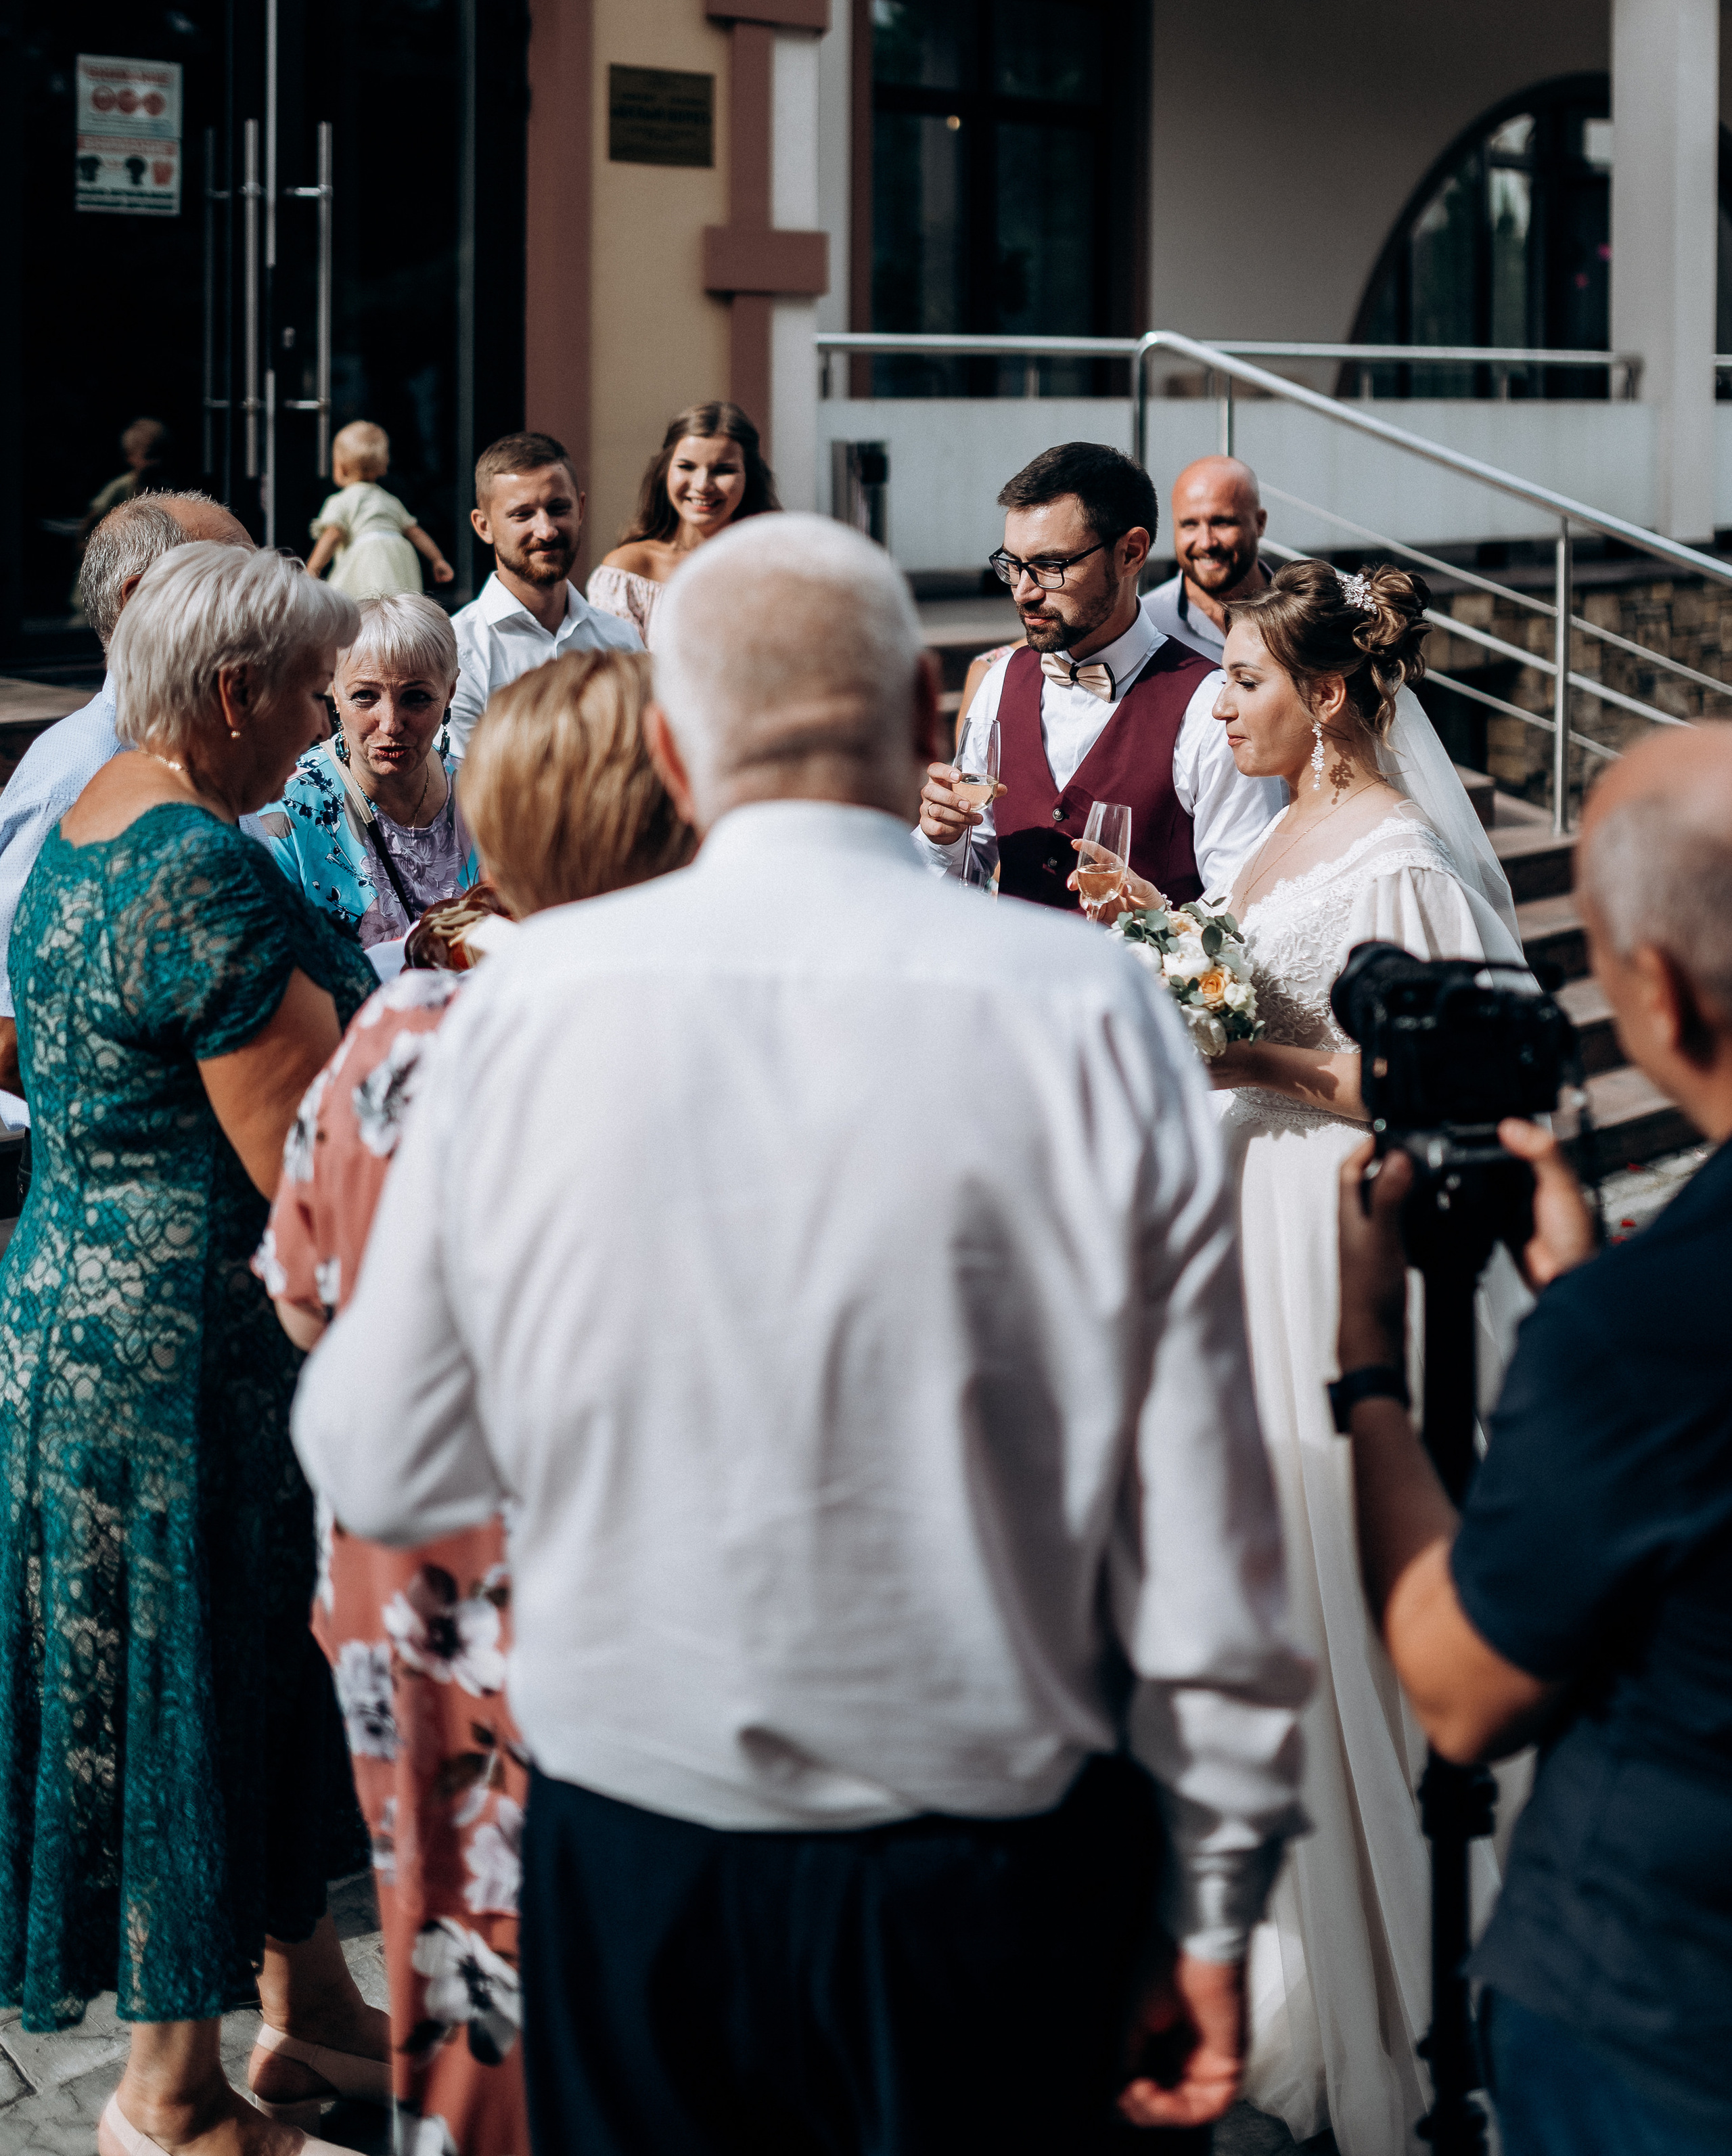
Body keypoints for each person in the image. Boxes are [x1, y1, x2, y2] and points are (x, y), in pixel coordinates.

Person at [293, 513, 1311, 2156]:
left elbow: (381, 1446)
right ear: (923, 706)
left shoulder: (526, 1008)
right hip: (990, 1839)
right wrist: (1216, 1888)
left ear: (676, 746)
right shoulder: (1087, 1009)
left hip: (636, 1830)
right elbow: (1200, 1509)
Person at [255, 652, 692, 2156]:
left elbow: (299, 1290)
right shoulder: (707, 1038)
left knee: (453, 1919)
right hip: (627, 1541)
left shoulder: (402, 1034)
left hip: (417, 1557)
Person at [0, 542, 386, 2156]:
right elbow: (310, 1161)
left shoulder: (85, 827)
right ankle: (169, 2096)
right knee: (197, 1682)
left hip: (67, 1307)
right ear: (234, 692)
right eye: (308, 693)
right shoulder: (197, 866)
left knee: (246, 1668)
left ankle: (309, 2009)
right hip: (191, 1354)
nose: (318, 728)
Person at [1160, 558, 1521, 2156]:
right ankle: (1307, 1954)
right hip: (1248, 1237)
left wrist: (1258, 1054)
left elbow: (1464, 1091)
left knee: (1349, 1598)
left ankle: (1417, 1980)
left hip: (1341, 1251)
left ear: (1320, 697)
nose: (1213, 701)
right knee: (1274, 1613)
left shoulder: (1404, 853)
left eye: (1237, 678)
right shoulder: (1277, 832)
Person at [1336, 720, 1732, 2156]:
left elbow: (1457, 1690)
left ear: (1659, 998)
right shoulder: (1629, 1317)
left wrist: (1365, 1357)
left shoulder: (1641, 1330)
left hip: (1660, 2007)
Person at [917, 442, 1281, 906]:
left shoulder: (1213, 709)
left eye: (1050, 566)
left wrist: (1160, 922)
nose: (1024, 592)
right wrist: (942, 836)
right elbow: (966, 875)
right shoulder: (1000, 680)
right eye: (1013, 566)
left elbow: (1243, 913)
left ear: (1131, 553)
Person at [0, 491, 253, 1109]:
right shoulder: (80, 771)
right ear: (142, 599)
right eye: (237, 581)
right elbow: (11, 1030)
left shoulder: (216, 746)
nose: (267, 607)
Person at [250, 593, 480, 956]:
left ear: (449, 693)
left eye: (416, 697)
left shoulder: (487, 797)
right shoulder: (286, 809)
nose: (391, 724)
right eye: (365, 696)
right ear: (335, 693)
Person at [447, 433, 641, 759]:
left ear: (580, 509)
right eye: (522, 515)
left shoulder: (621, 640)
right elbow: (463, 788)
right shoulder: (458, 650)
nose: (546, 530)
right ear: (484, 526)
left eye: (558, 508)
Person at [587, 400, 780, 647]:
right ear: (665, 471)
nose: (702, 485)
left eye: (723, 470)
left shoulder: (775, 569)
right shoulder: (628, 572)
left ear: (749, 477)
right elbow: (619, 678)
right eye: (687, 467)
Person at [1145, 456, 1272, 664]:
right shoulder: (1145, 627)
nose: (1206, 543)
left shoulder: (1306, 616)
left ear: (1259, 523)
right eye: (1190, 525)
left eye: (1222, 522)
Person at [306, 421, 454, 600]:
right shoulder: (390, 500)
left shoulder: (340, 501)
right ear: (383, 466)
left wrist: (313, 570)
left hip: (366, 559)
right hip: (398, 558)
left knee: (359, 608)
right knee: (399, 608)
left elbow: (332, 535)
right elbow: (415, 532)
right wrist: (437, 559)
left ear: (341, 468)